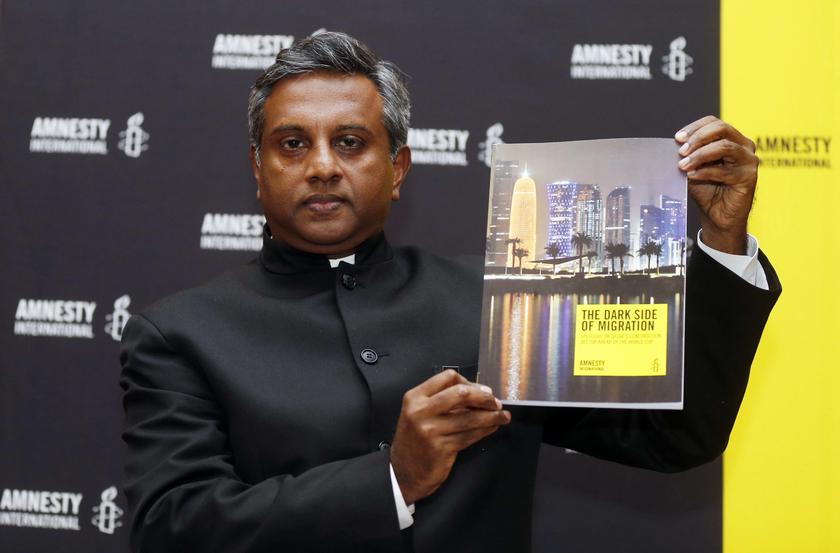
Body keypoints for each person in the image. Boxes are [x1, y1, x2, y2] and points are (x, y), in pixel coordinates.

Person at [120, 31, 780, 553]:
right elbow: (173, 527)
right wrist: (392, 480)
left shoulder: (502, 299)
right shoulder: (181, 334)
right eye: (292, 144)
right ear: (258, 169)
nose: (322, 165)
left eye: (350, 142)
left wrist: (723, 241)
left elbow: (672, 436)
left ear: (398, 168)